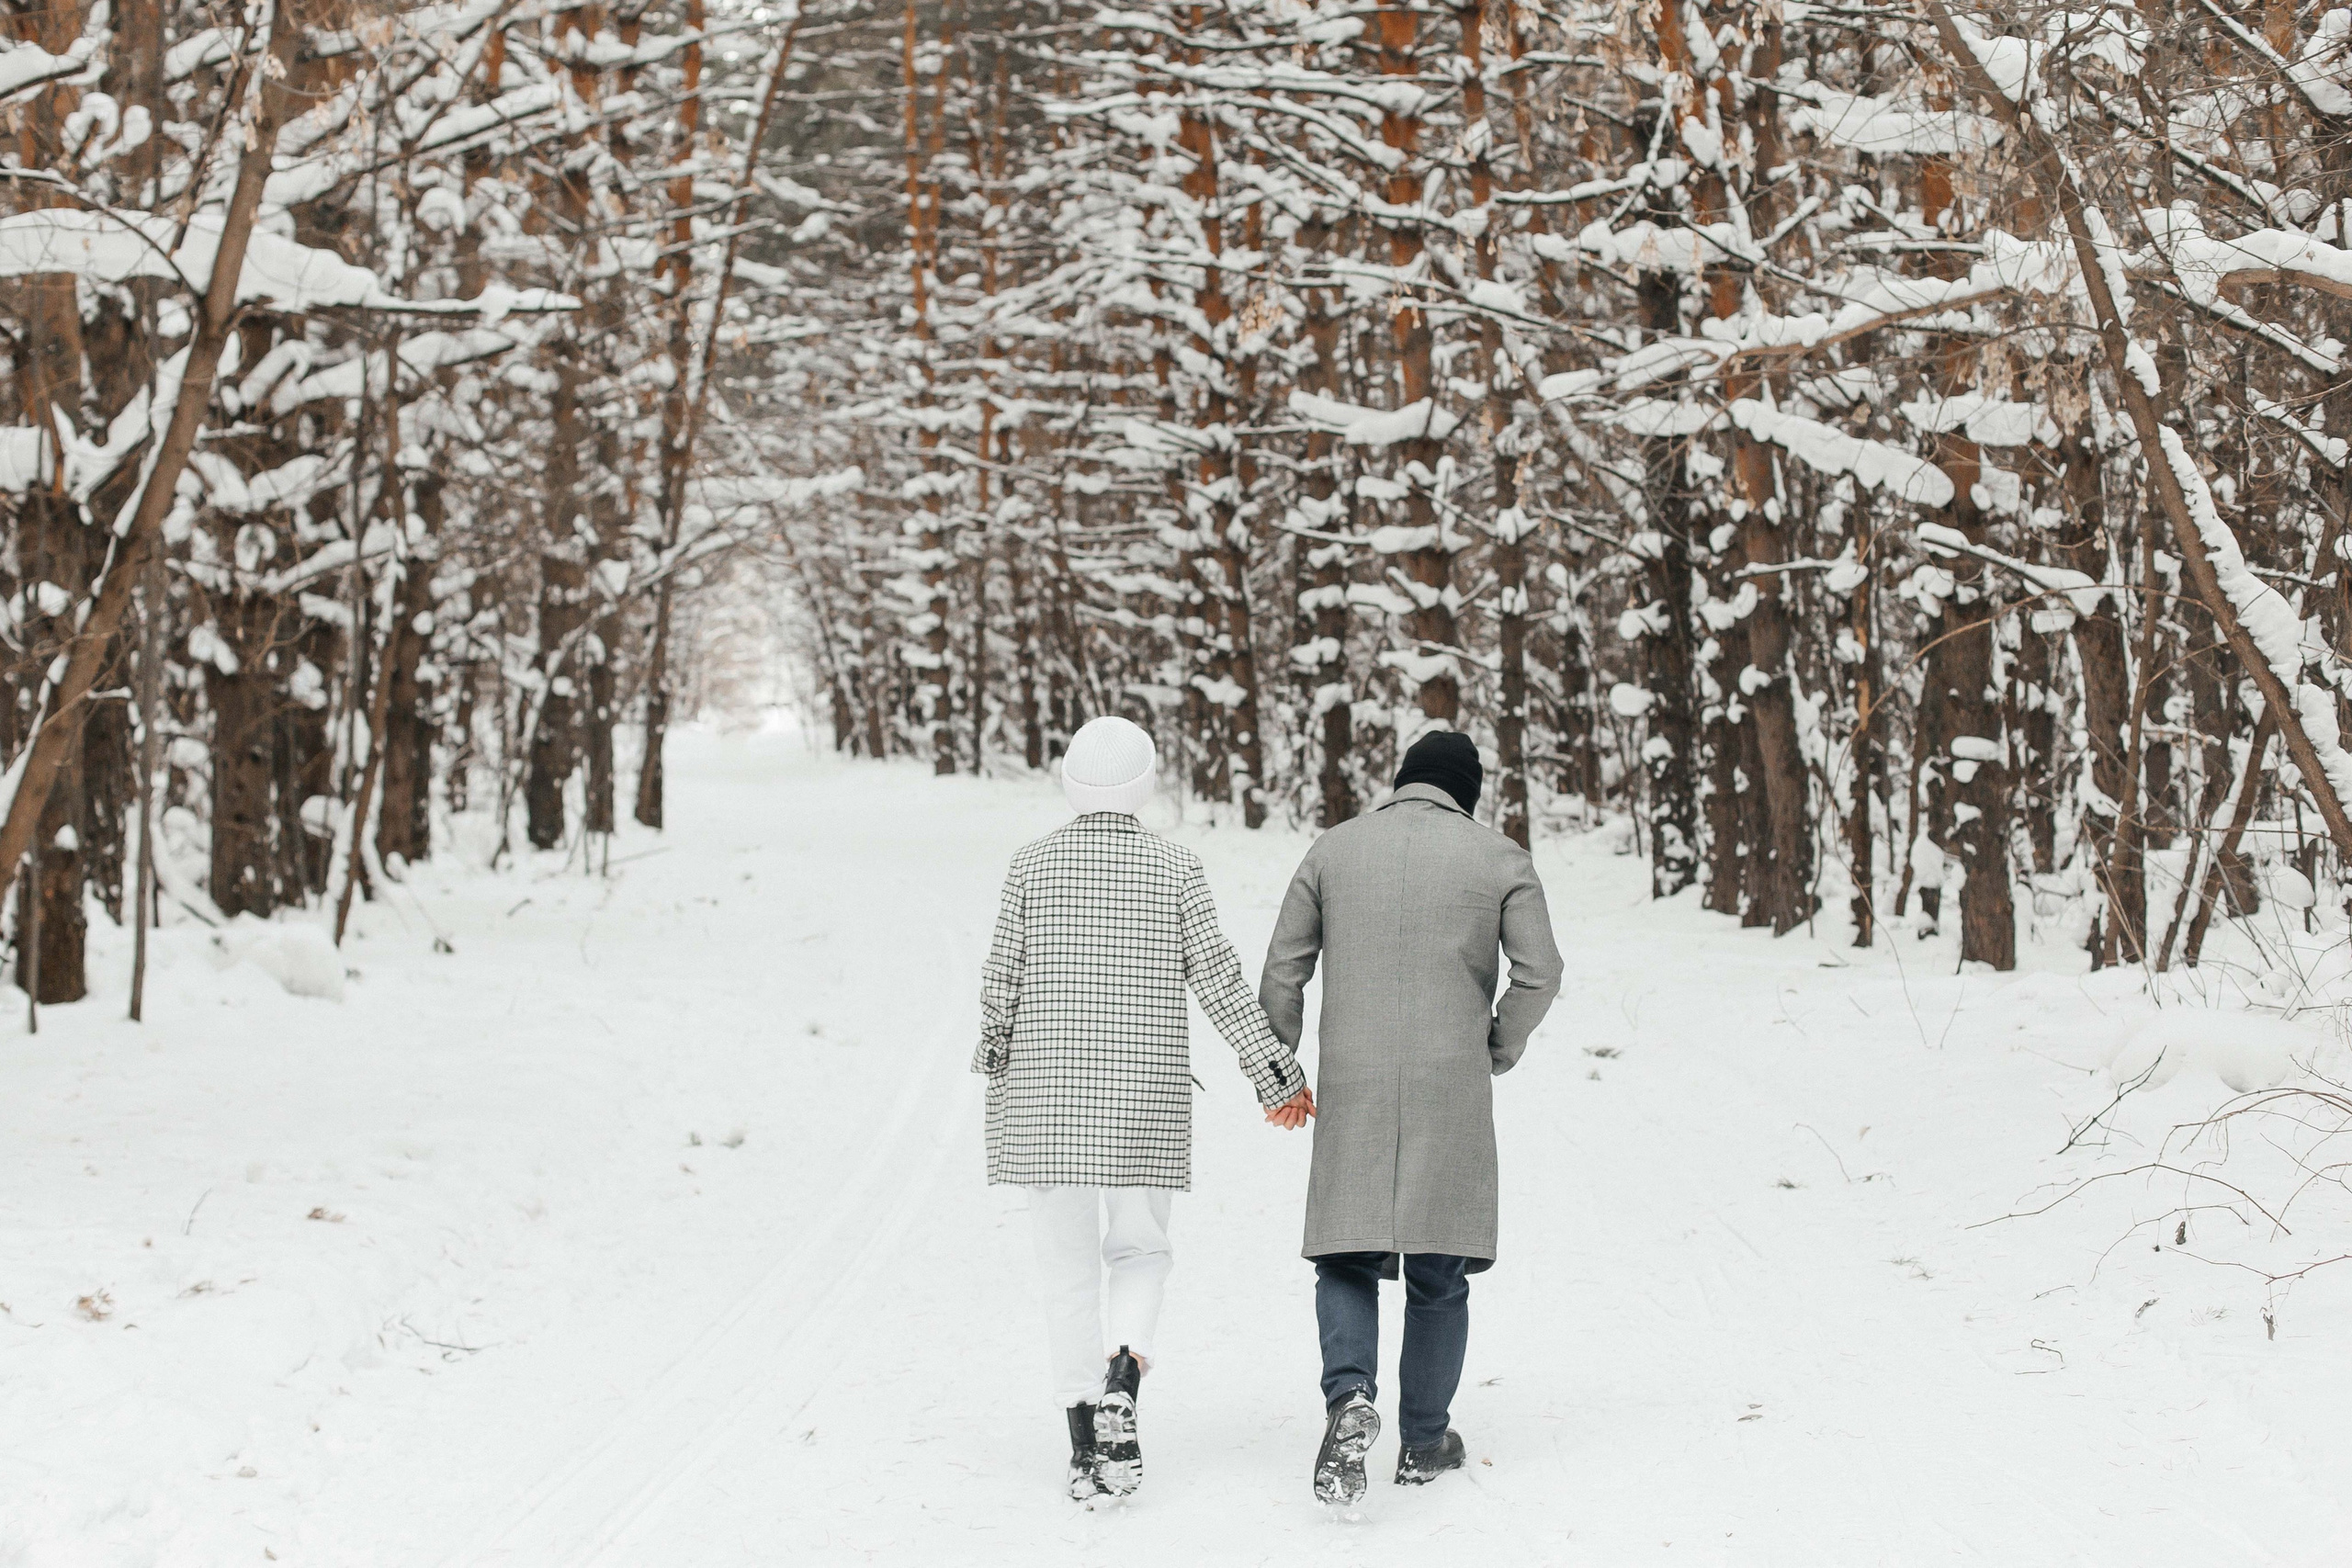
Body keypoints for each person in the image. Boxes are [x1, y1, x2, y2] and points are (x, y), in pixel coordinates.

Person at [974, 715, 1317, 1502]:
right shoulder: (1176, 868)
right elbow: (1220, 980)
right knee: (1139, 1249)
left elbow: (1000, 981)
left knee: (1065, 1271)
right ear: (1145, 786)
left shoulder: (1030, 866)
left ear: (1069, 783)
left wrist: (995, 1059)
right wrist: (1276, 1076)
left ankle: (1082, 1450)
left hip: (1046, 1098)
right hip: (1143, 1096)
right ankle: (1123, 1375)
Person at [1258, 729, 1564, 1506]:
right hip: (1448, 1079)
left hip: (1353, 1077)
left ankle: (1350, 1397)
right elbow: (1541, 970)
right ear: (1468, 791)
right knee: (1438, 1268)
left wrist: (1279, 1069)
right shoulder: (1500, 859)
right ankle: (1424, 1440)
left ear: (1402, 779)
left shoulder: (1333, 850)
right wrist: (1497, 1042)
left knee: (1346, 1255)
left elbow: (1284, 969)